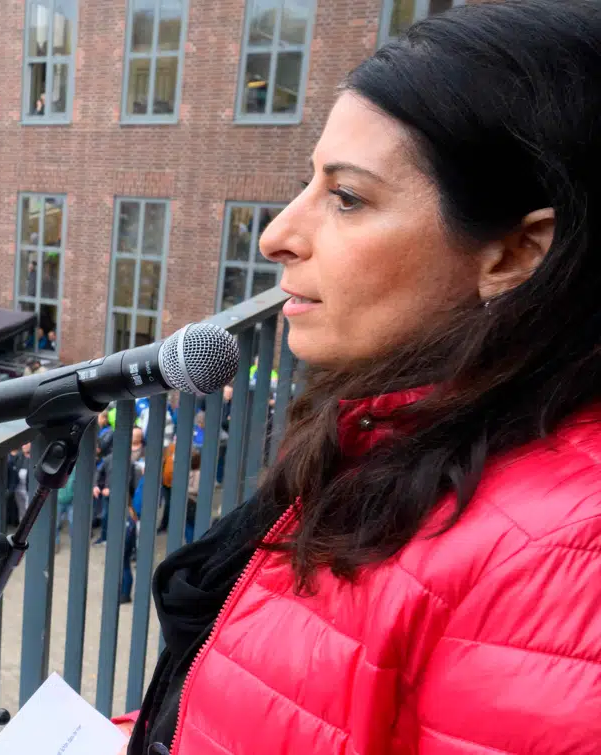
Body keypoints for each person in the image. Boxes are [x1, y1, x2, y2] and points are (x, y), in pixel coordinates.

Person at [128, 4, 601, 751]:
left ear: (515, 253)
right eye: (309, 183)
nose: (279, 233)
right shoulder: (384, 421)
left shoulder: (565, 565)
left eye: (346, 197)